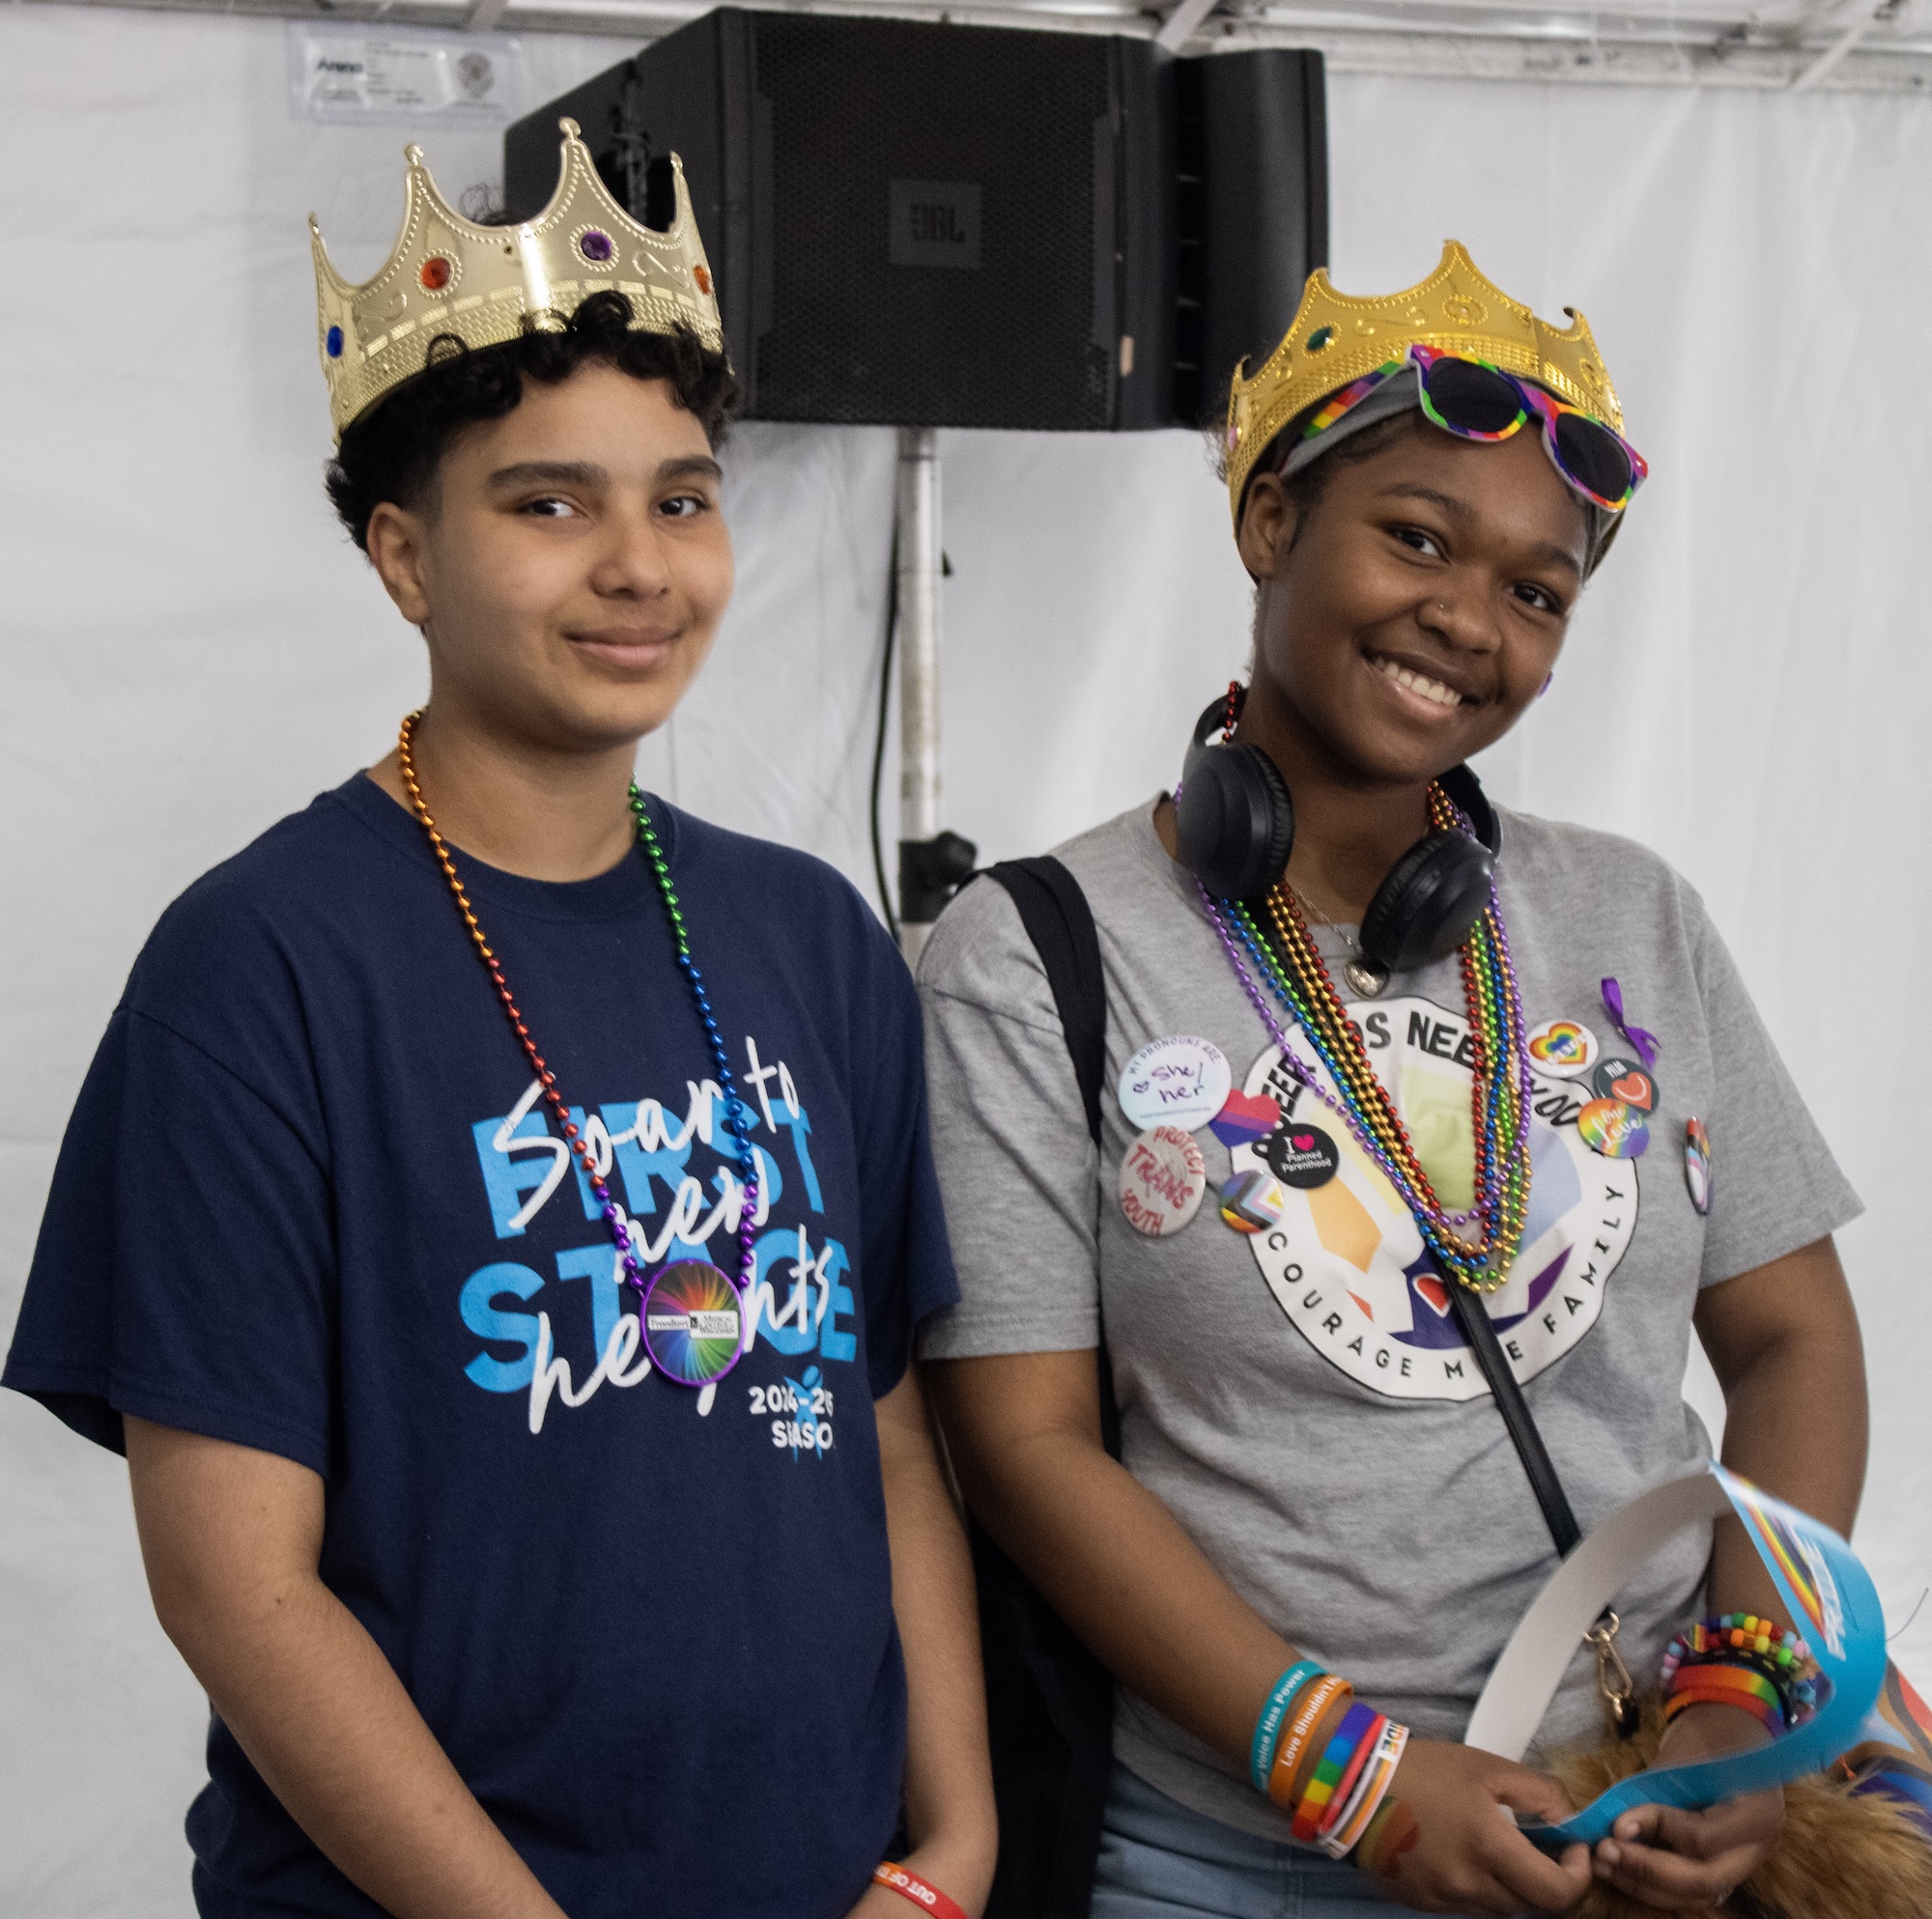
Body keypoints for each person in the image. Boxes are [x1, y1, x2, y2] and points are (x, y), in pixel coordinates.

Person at [2, 123, 995, 1919]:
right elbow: (237, 1584)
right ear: (403, 557)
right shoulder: (260, 968)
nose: (638, 564)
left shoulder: (811, 935)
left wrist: (952, 1846)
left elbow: (890, 1441)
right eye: (550, 504)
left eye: (681, 497)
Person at [915, 241, 1868, 1917]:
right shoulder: (1032, 949)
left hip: (1642, 1828)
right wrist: (1358, 1783)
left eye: (1538, 591)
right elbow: (1023, 1441)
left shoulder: (1633, 910)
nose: (1468, 618)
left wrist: (1739, 1693)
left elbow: (1792, 1335)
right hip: (1237, 1854)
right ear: (1271, 523)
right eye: (1416, 537)